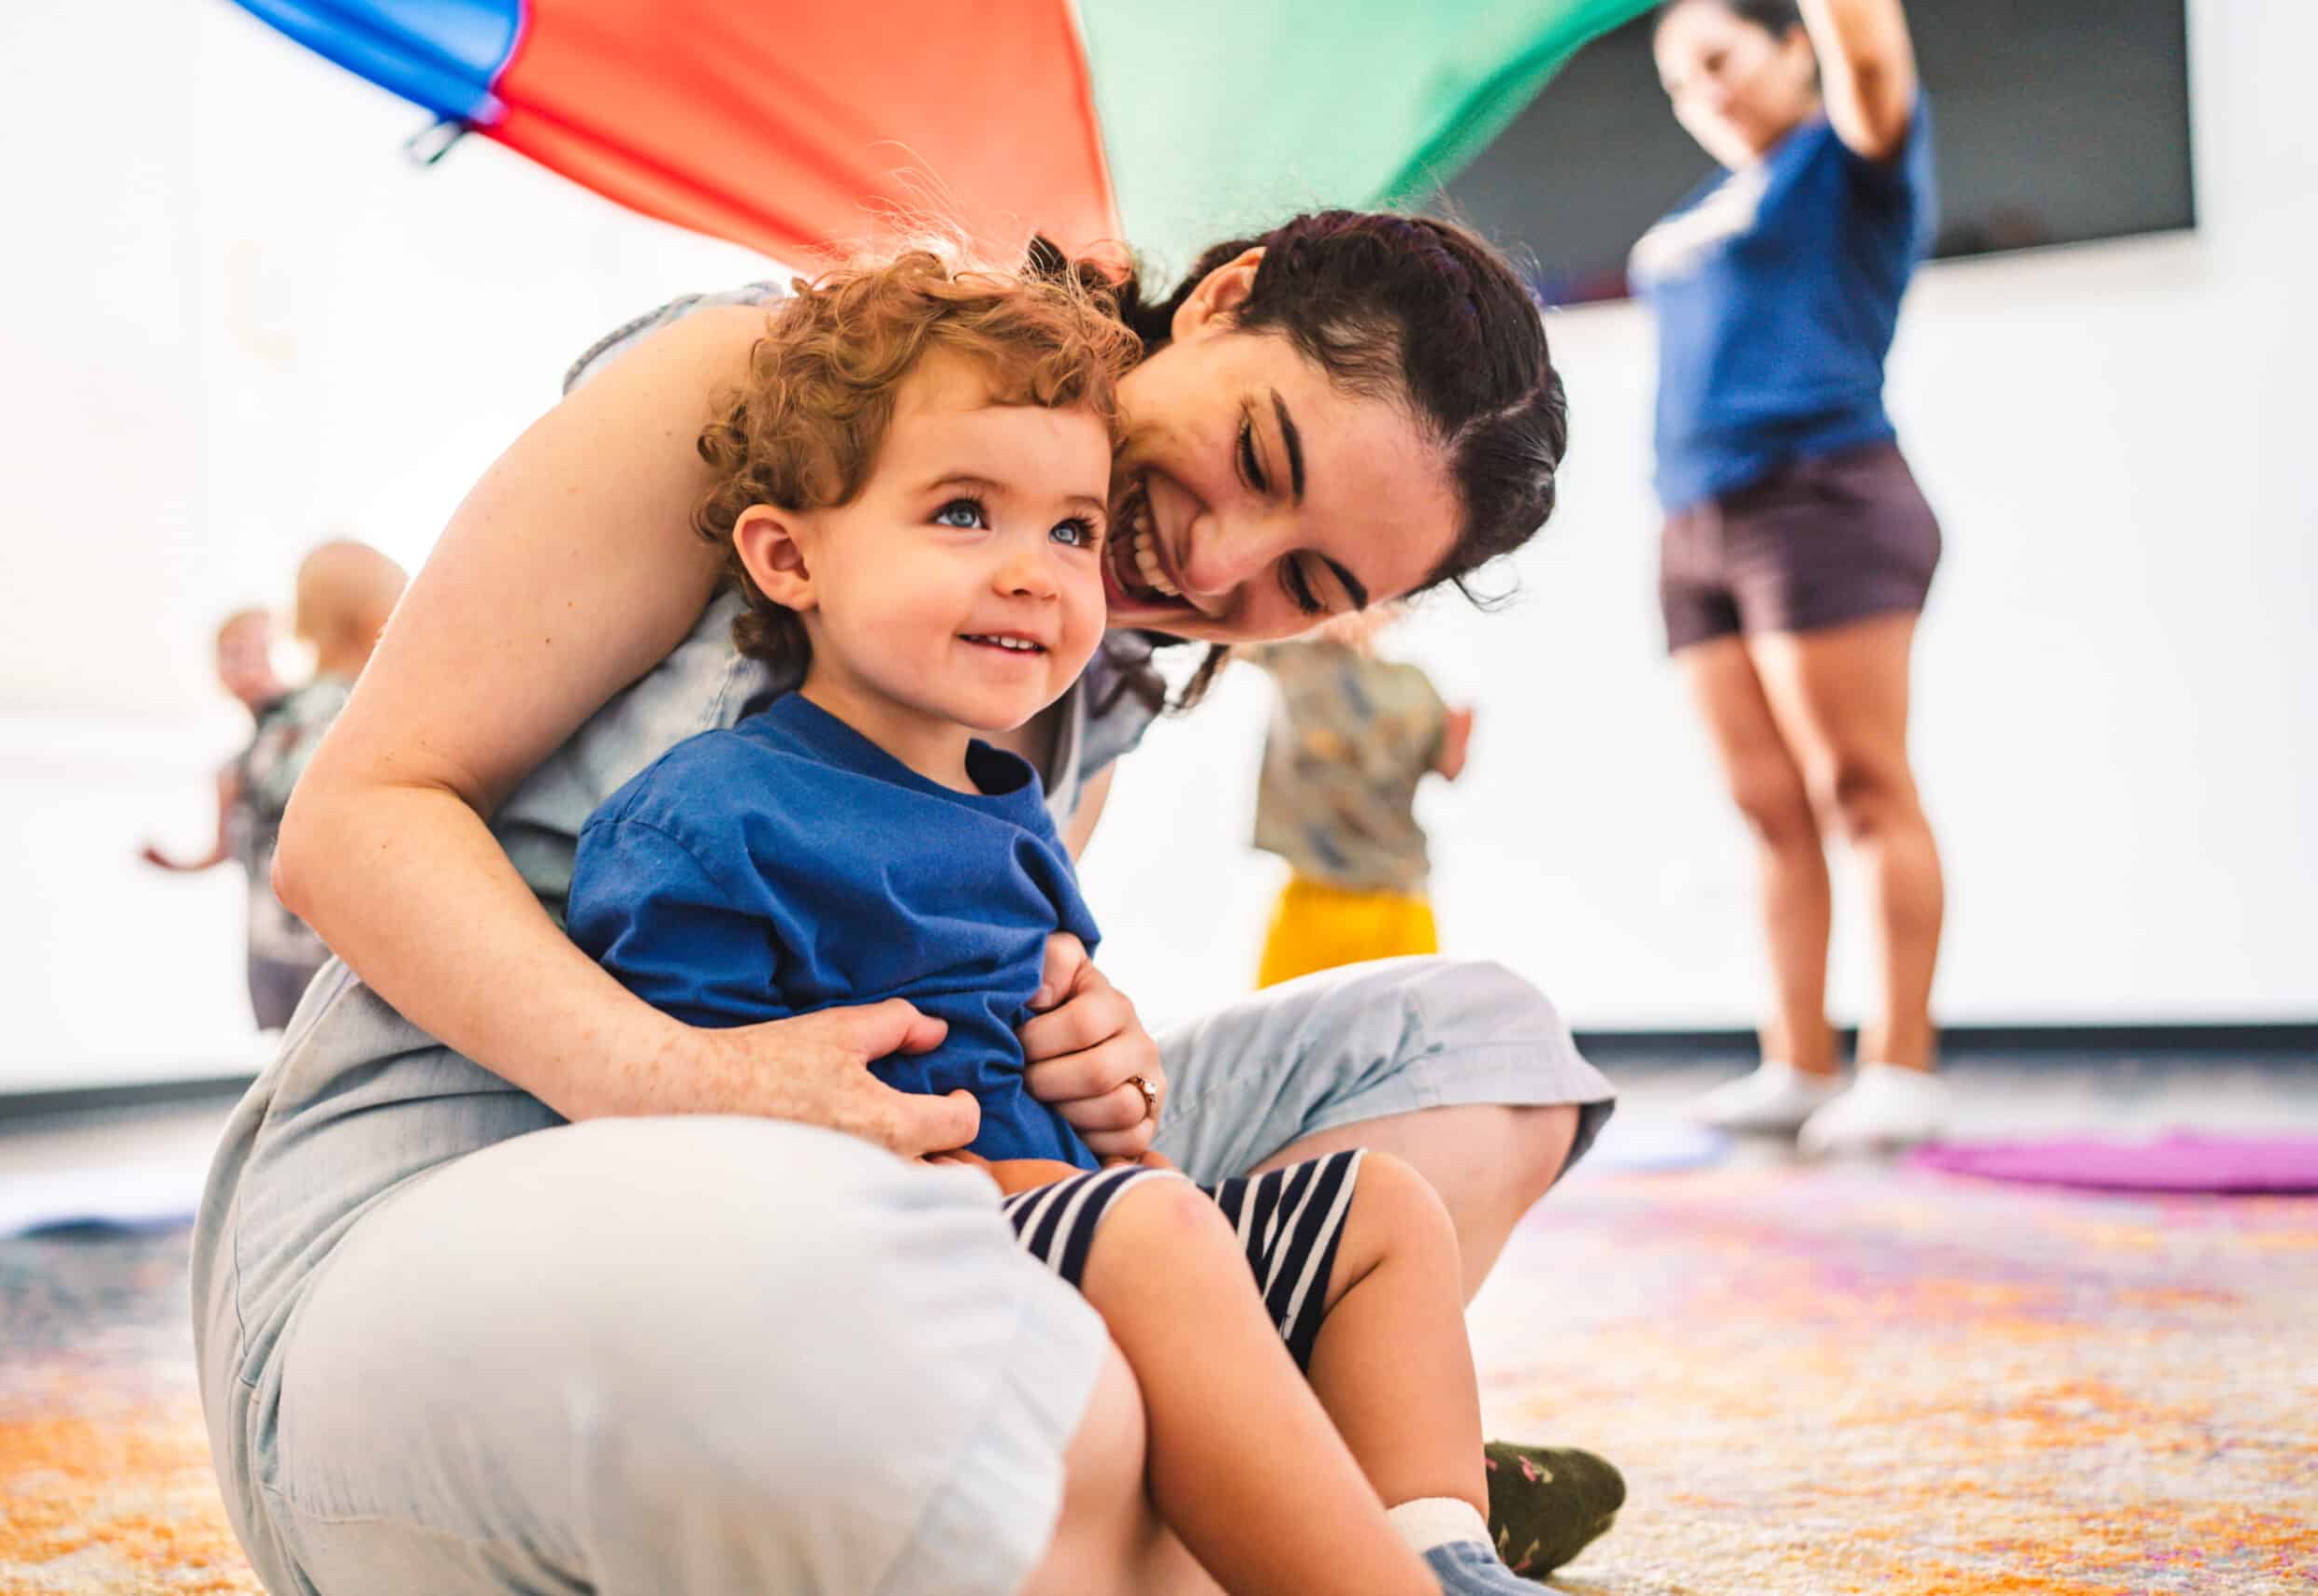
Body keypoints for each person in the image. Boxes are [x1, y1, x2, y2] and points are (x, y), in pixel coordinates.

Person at [192, 209, 1618, 1596]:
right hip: (465, 1232)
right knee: (1025, 1383)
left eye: (1306, 579)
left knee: (1484, 1054)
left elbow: (955, 1021)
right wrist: (688, 1077)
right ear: (1229, 296)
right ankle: (1296, 1500)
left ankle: (1276, 1499)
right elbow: (349, 823)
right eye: (1254, 452)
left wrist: (1092, 1052)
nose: (1218, 563)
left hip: (891, 1184)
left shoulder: (1079, 676)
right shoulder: (761, 388)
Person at [568, 252, 1558, 1595]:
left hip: (1059, 1201)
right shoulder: (712, 812)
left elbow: (1047, 1006)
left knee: (1381, 1208)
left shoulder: (1016, 793)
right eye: (969, 515)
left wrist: (1110, 1059)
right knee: (1156, 1231)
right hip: (908, 1215)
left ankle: (1437, 1536)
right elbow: (688, 1118)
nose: (1212, 563)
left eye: (1071, 535)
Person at [1631, 0, 1950, 1154]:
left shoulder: (1843, 162)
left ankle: (1902, 1066)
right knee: (1766, 810)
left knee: (1861, 787)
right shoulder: (1698, 214)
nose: (1701, 92)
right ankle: (1799, 1062)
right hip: (1695, 519)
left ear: (1790, 48)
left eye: (1718, 59)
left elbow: (1870, 47)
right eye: (1676, 85)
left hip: (1821, 499)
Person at [142, 542, 404, 1027]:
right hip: (332, 953)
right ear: (379, 626)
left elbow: (250, 828)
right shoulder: (362, 717)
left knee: (291, 1063)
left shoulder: (276, 725)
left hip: (273, 946)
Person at [1245, 605, 1474, 988]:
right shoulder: (1296, 659)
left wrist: (1459, 740)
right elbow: (1228, 639)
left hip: (1396, 892)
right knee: (1280, 1024)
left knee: (1407, 1026)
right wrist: (1305, 620)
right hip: (1312, 885)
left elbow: (1447, 768)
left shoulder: (1412, 685)